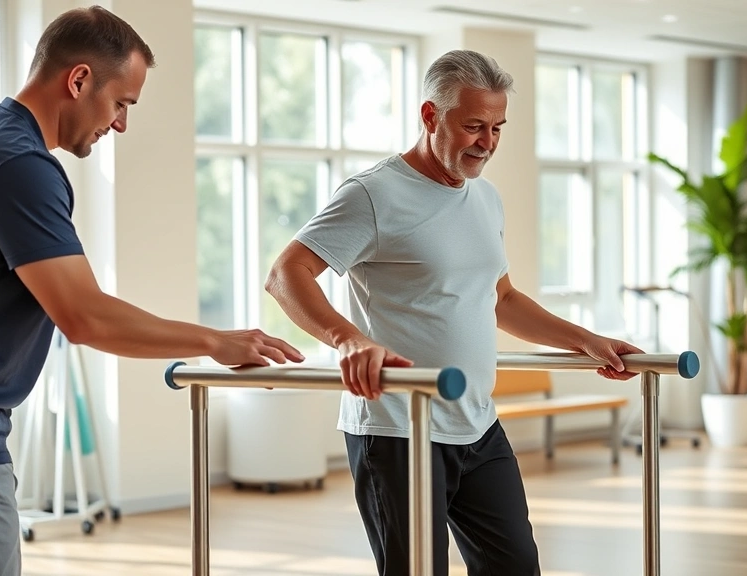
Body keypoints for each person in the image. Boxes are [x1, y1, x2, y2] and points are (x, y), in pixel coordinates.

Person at [0, 6, 303, 576]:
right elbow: (84, 317)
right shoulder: (18, 163)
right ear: (78, 80)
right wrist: (214, 341)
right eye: (122, 103)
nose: (122, 123)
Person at [265, 49, 643, 576]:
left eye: (497, 127)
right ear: (430, 116)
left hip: (477, 425)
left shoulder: (485, 198)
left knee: (515, 567)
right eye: (473, 126)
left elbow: (501, 299)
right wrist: (346, 339)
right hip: (399, 428)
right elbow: (287, 274)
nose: (486, 142)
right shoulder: (373, 194)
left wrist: (585, 339)